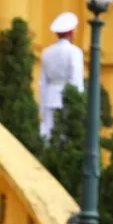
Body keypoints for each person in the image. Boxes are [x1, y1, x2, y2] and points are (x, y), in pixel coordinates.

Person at [39, 12, 84, 140]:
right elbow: (76, 79)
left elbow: (42, 82)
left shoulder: (46, 52)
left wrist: (42, 107)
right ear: (71, 32)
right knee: (66, 138)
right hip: (67, 98)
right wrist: (78, 102)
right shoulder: (75, 52)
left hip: (50, 97)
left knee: (48, 136)